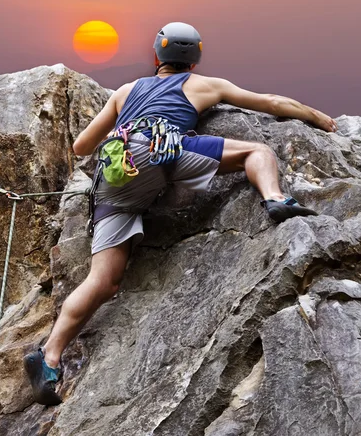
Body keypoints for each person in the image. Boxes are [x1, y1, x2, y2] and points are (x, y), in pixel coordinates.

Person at [24, 22, 337, 405]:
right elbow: (271, 101)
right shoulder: (204, 86)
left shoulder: (126, 90)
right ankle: (274, 198)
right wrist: (317, 117)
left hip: (115, 173)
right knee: (257, 152)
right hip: (162, 153)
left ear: (157, 56)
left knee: (103, 281)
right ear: (195, 59)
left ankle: (49, 357)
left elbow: (81, 145)